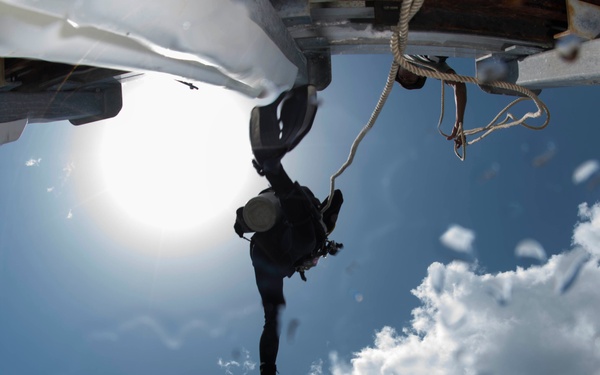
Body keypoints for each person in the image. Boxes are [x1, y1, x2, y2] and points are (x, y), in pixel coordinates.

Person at [234, 85, 344, 375]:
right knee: (310, 237)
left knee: (274, 312)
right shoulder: (308, 238)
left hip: (270, 250)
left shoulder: (305, 239)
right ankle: (271, 166)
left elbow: (273, 317)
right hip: (274, 247)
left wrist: (268, 367)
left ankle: (271, 166)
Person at [395, 55, 467, 148]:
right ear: (420, 77)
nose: (404, 78)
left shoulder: (401, 51)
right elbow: (458, 85)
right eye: (409, 81)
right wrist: (459, 122)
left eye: (400, 77)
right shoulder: (433, 69)